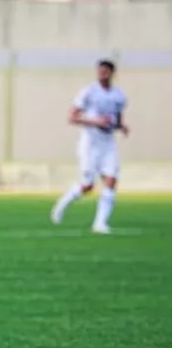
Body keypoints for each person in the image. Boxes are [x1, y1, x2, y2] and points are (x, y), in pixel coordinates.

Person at [51, 59, 129, 234]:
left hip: (108, 143)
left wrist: (121, 127)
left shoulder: (119, 95)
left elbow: (117, 119)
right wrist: (95, 121)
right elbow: (72, 117)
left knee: (111, 181)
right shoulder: (89, 92)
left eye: (105, 72)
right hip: (90, 143)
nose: (102, 75)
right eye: (100, 71)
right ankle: (63, 204)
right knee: (87, 186)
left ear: (112, 74)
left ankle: (100, 224)